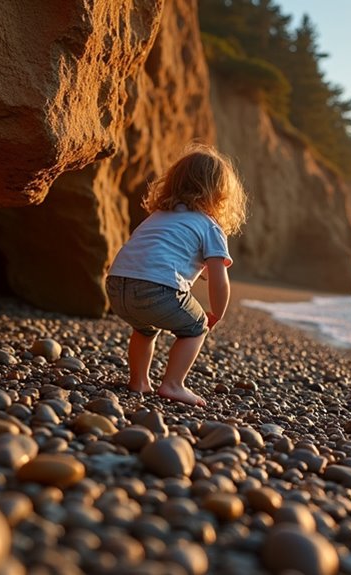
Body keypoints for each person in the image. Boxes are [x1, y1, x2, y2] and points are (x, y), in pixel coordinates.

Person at [105, 144, 247, 406]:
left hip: (116, 287)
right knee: (195, 327)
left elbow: (152, 253)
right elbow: (219, 279)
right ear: (219, 193)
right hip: (155, 291)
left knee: (144, 329)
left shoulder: (157, 216)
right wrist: (216, 313)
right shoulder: (209, 226)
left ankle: (139, 381)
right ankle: (172, 384)